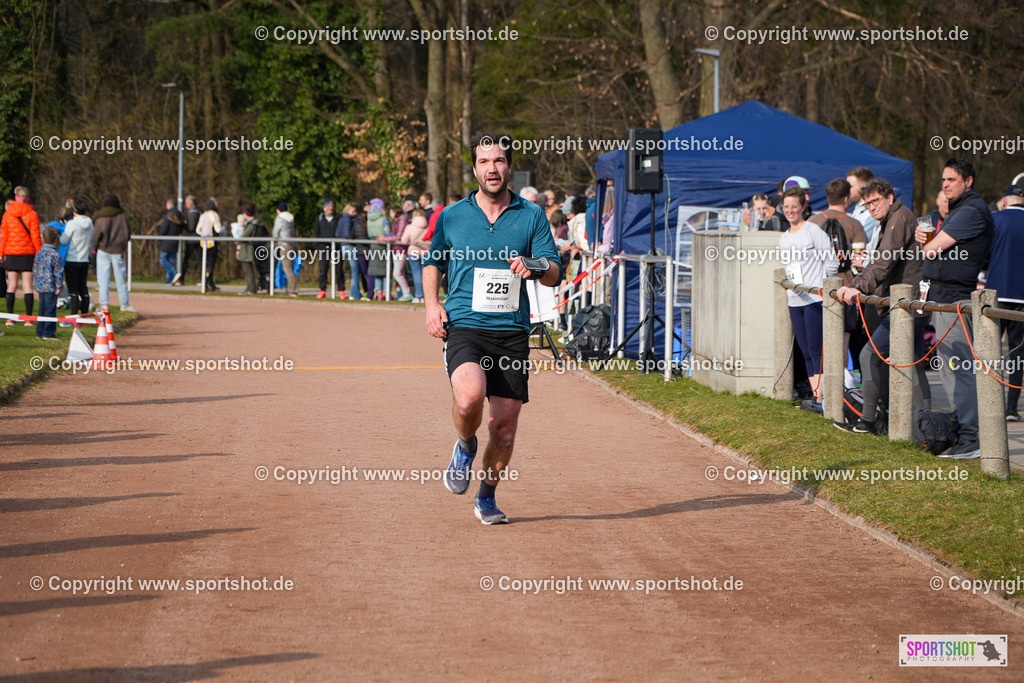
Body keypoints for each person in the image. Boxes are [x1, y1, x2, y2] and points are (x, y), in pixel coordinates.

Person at [424, 131, 562, 525]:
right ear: (474, 169)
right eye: (484, 162)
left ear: (510, 167)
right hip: (466, 325)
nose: (492, 168)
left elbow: (553, 271)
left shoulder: (531, 215)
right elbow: (434, 262)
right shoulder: (452, 216)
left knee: (503, 429)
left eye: (499, 161)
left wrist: (534, 266)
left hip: (512, 332)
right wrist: (433, 305)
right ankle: (465, 445)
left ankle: (486, 497)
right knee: (468, 397)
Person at [834, 178, 929, 433]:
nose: (872, 207)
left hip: (905, 305)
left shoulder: (899, 218)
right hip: (908, 303)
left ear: (890, 197)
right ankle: (924, 425)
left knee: (869, 355)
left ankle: (869, 422)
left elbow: (884, 262)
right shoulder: (892, 219)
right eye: (867, 204)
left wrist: (858, 285)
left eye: (876, 201)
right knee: (915, 364)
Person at [916, 158, 994, 459]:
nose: (945, 184)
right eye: (943, 180)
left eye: (951, 179)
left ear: (968, 181)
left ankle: (972, 438)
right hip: (944, 297)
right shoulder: (960, 209)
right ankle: (961, 430)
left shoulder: (972, 210)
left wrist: (926, 243)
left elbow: (933, 249)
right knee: (950, 370)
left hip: (956, 299)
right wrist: (924, 238)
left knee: (959, 370)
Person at [778, 187, 838, 412]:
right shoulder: (784, 238)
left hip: (814, 300)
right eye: (786, 207)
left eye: (795, 206)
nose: (790, 211)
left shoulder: (813, 231)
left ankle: (822, 399)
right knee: (804, 350)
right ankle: (816, 396)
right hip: (794, 299)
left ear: (803, 207)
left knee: (816, 349)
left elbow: (831, 262)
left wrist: (820, 287)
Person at [986, 185, 1024, 421]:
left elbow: (984, 253)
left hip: (996, 293)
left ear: (1004, 201)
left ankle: (990, 401)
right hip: (1022, 296)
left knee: (989, 349)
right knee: (1018, 353)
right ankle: (1011, 406)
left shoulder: (995, 220)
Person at [1, 186, 42, 326]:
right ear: (28, 198)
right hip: (26, 253)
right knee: (27, 287)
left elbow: (3, 236)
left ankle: (9, 318)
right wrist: (40, 252)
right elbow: (36, 236)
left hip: (11, 253)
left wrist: (1, 253)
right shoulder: (32, 214)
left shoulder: (7, 215)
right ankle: (28, 319)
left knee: (11, 286)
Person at [91, 193, 134, 312]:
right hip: (118, 251)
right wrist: (122, 245)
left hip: (103, 250)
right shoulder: (122, 216)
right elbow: (127, 234)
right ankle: (124, 304)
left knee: (103, 279)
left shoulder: (100, 217)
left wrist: (94, 248)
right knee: (121, 279)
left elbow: (95, 236)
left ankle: (104, 304)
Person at [60, 198, 94, 321]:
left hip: (72, 260)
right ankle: (84, 317)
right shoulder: (90, 223)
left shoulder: (72, 224)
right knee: (83, 289)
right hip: (84, 260)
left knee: (73, 290)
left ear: (74, 211)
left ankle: (74, 317)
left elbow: (64, 240)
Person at [32, 226, 64, 339]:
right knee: (50, 310)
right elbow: (58, 273)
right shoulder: (55, 255)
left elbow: (35, 270)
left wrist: (36, 283)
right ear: (56, 240)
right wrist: (59, 286)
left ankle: (40, 332)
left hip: (41, 287)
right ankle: (48, 332)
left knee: (41, 310)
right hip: (51, 287)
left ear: (43, 239)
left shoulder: (39, 254)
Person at [171, 195, 201, 285]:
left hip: (192, 239)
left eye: (187, 203)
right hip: (199, 239)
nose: (185, 205)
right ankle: (203, 278)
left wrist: (183, 224)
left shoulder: (192, 213)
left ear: (191, 204)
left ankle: (181, 279)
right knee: (200, 259)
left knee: (186, 259)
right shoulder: (200, 211)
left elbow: (191, 228)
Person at [196, 198, 223, 292]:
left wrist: (203, 234)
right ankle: (206, 283)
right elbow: (218, 229)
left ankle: (211, 284)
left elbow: (197, 230)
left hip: (202, 243)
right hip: (212, 243)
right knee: (210, 265)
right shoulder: (214, 215)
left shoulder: (203, 215)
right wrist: (224, 228)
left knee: (205, 264)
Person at [402, 209, 429, 302]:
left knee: (416, 274)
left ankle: (419, 295)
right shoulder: (428, 227)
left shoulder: (410, 227)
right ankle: (426, 296)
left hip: (413, 252)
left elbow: (404, 240)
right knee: (426, 276)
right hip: (426, 252)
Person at [315, 199, 339, 299]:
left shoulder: (338, 217)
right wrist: (318, 247)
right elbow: (316, 233)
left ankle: (341, 290)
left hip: (336, 247)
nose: (330, 208)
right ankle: (322, 290)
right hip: (323, 247)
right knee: (323, 269)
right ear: (324, 207)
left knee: (338, 269)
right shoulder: (320, 218)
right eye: (328, 206)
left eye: (332, 206)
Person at [365, 198, 389, 300]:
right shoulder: (383, 219)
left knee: (377, 272)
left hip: (373, 244)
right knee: (386, 271)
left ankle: (379, 293)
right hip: (383, 245)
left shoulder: (369, 218)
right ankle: (388, 293)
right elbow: (387, 232)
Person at [847, 167, 878, 243]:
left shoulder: (872, 213)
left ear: (864, 187)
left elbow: (858, 240)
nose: (846, 190)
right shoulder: (857, 209)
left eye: (850, 186)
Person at [273, 202, 298, 296]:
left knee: (287, 268)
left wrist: (275, 241)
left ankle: (292, 290)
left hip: (285, 245)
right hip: (293, 244)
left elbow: (276, 231)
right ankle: (291, 288)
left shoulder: (280, 218)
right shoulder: (291, 218)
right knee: (291, 267)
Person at [237, 205, 262, 295]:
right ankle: (249, 288)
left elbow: (244, 236)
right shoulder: (250, 223)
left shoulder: (251, 224)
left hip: (248, 250)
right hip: (246, 249)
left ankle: (251, 289)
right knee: (247, 270)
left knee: (249, 270)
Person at [158, 199, 183, 285]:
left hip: (167, 240)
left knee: (163, 259)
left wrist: (160, 235)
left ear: (168, 205)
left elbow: (164, 228)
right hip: (175, 240)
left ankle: (174, 273)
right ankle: (171, 279)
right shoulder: (180, 214)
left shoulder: (168, 215)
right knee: (171, 260)